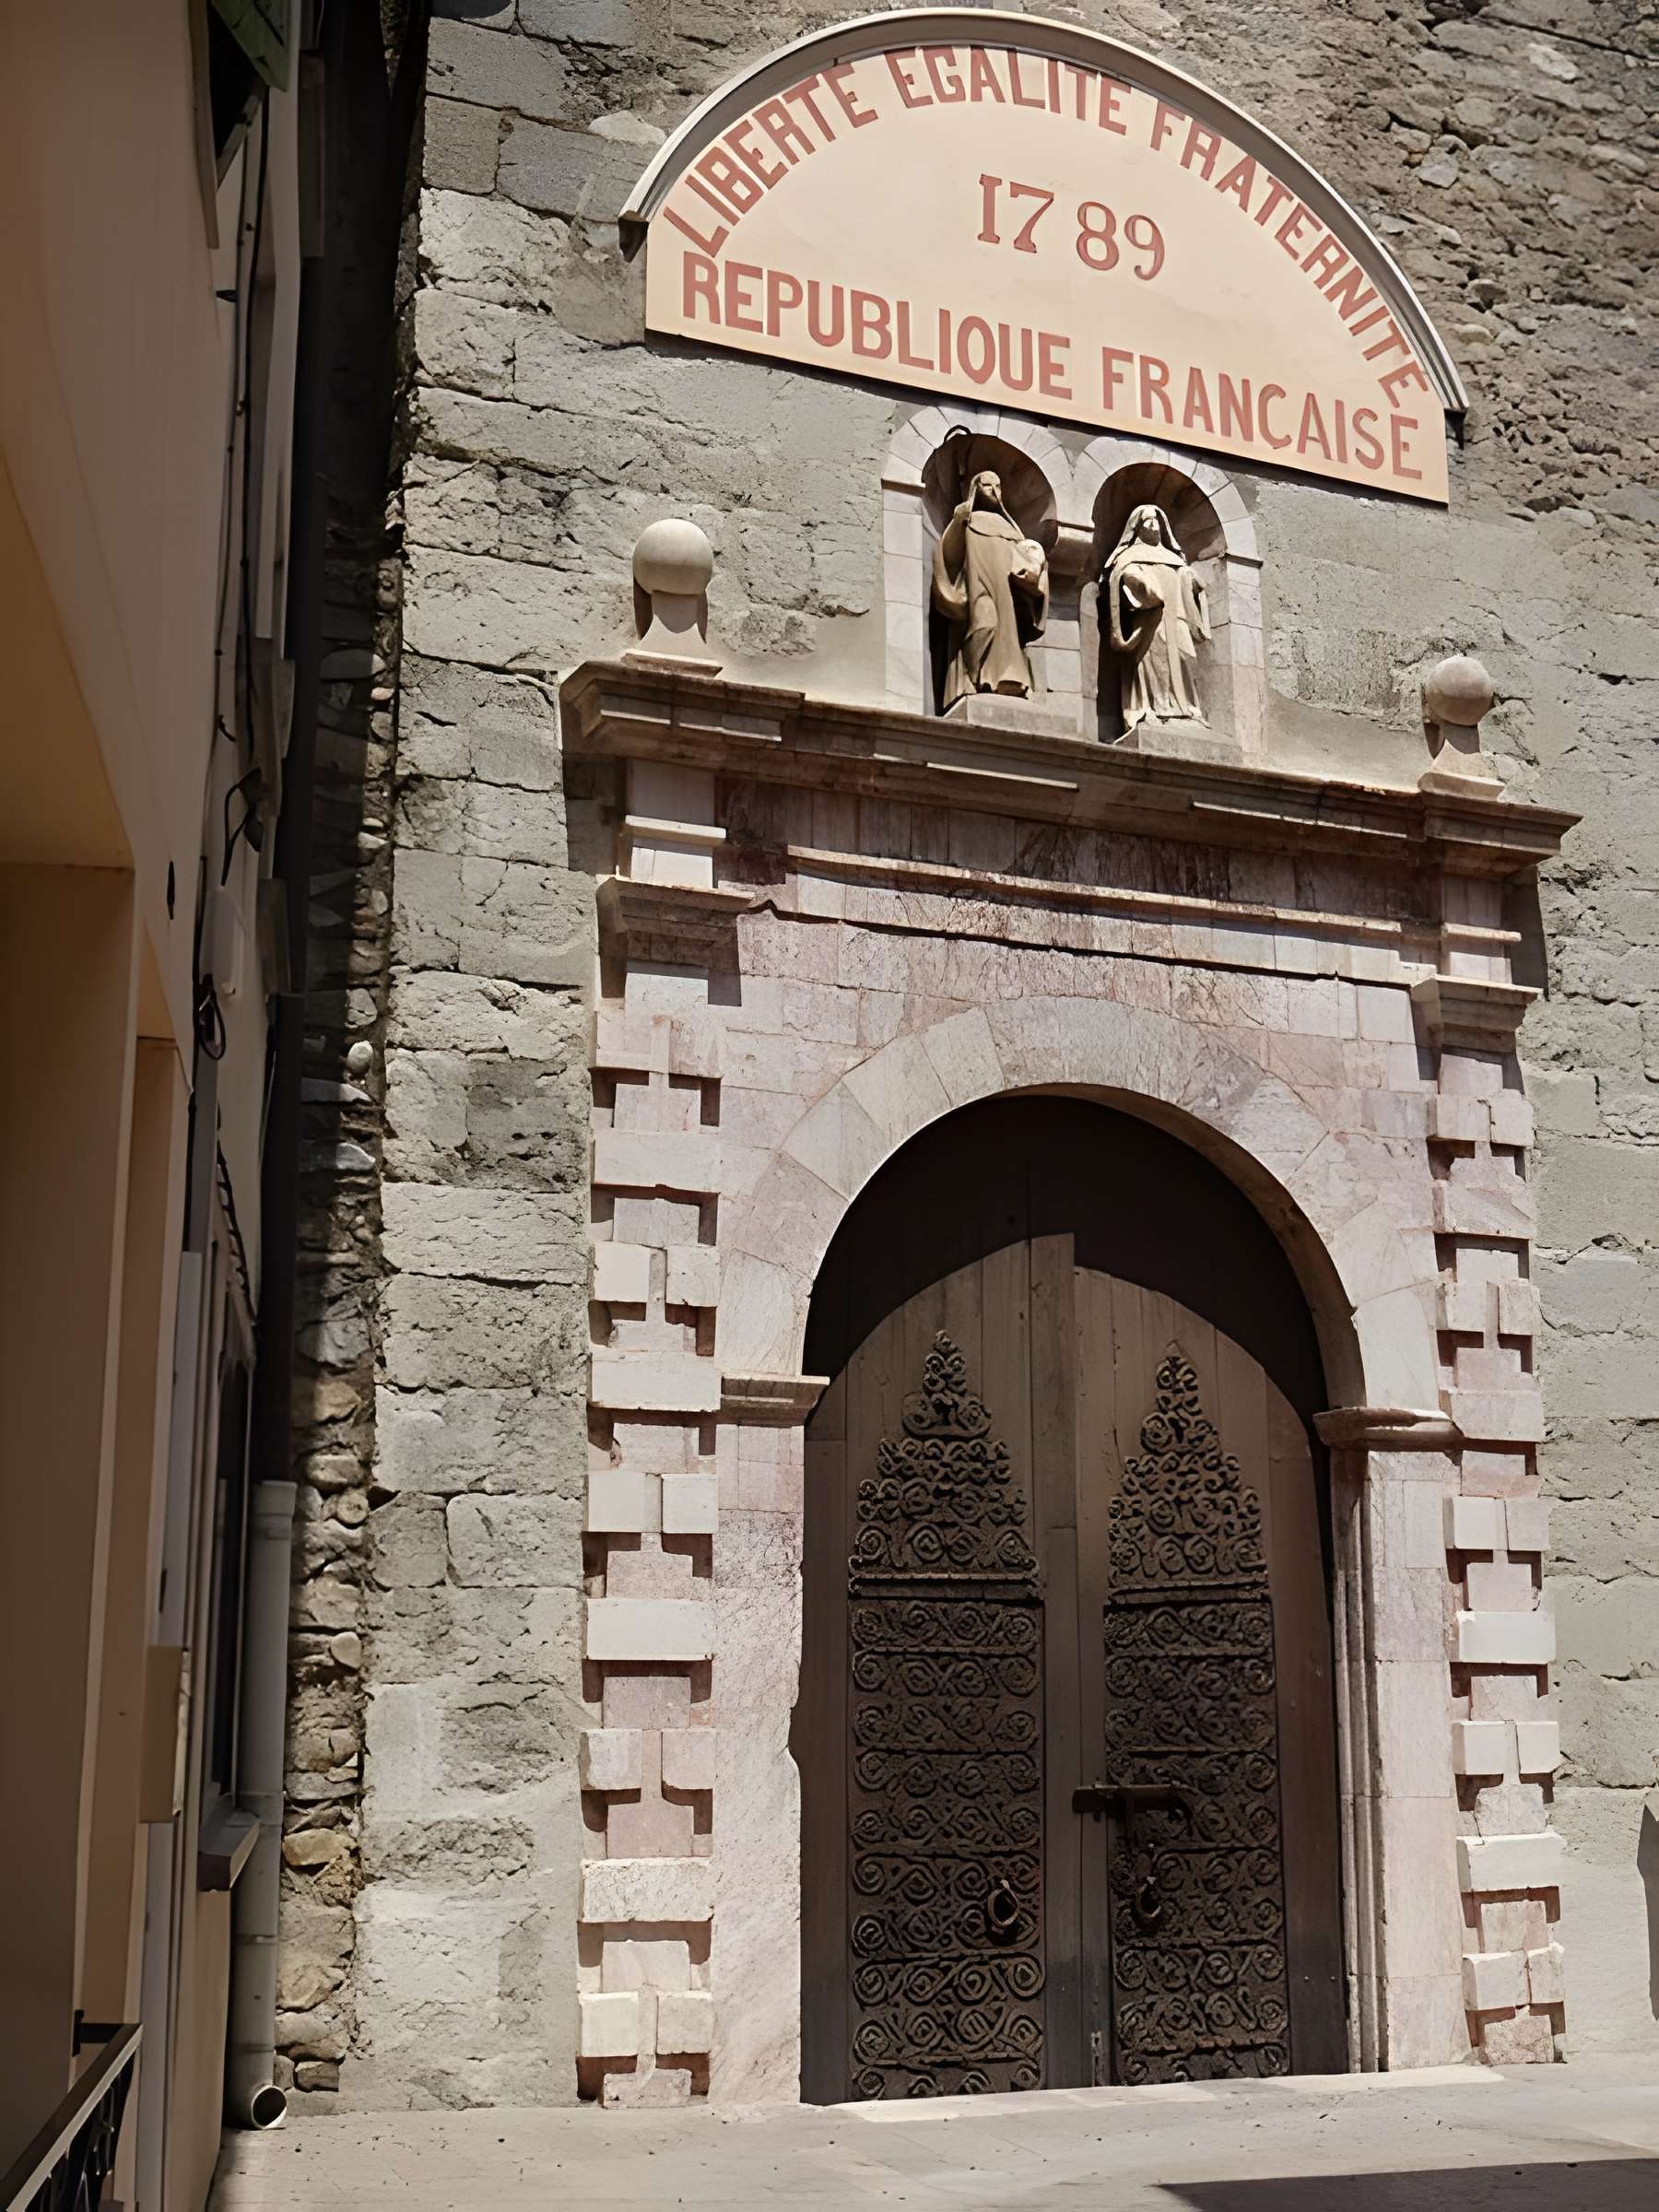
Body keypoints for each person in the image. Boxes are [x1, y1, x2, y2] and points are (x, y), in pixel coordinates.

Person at [932, 469, 1049, 708]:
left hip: (1005, 594)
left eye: (998, 486)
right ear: (975, 489)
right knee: (984, 623)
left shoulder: (1011, 530)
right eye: (987, 485)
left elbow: (1027, 557)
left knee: (1006, 632)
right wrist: (957, 521)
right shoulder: (967, 520)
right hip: (977, 587)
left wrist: (1032, 575)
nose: (994, 490)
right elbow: (949, 557)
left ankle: (1006, 679)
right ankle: (974, 678)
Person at [1103, 503, 1209, 730]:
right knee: (1153, 662)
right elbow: (1120, 579)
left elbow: (1184, 580)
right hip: (1151, 620)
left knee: (1186, 657)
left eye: (1156, 521)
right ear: (1137, 528)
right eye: (1147, 521)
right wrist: (1137, 581)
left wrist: (1188, 577)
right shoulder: (1129, 556)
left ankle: (1188, 708)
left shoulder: (1174, 558)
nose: (1153, 525)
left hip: (1178, 617)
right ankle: (1156, 708)